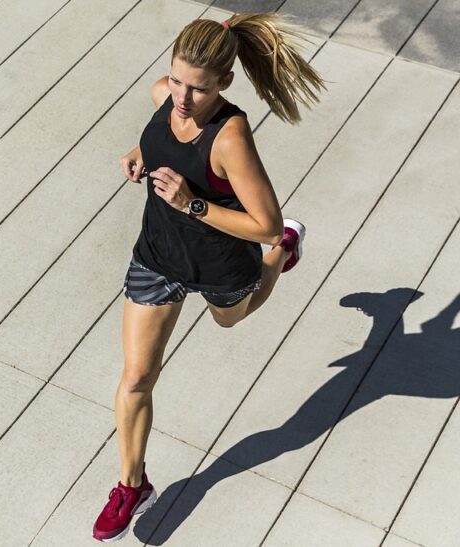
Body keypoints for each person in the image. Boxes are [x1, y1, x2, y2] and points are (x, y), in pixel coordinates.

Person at [92, 14, 326, 542]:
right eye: (176, 80)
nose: (181, 97)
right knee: (135, 380)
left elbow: (262, 222)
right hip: (158, 255)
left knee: (231, 319)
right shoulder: (164, 96)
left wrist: (192, 203)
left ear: (224, 83)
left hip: (223, 260)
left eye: (197, 88)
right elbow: (159, 134)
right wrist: (139, 153)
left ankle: (286, 254)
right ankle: (132, 484)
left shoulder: (230, 136)